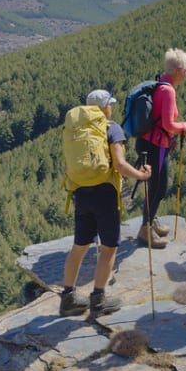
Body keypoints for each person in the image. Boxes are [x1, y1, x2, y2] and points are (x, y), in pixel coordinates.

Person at [60, 89, 152, 318]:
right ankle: (99, 299)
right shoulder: (111, 127)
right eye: (110, 104)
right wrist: (142, 176)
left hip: (80, 190)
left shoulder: (74, 128)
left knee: (79, 245)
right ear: (104, 108)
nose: (111, 107)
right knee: (109, 247)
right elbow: (120, 165)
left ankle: (68, 297)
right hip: (105, 192)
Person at [136, 48, 186, 249]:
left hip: (148, 142)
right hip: (156, 145)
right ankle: (146, 229)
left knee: (156, 186)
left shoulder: (160, 84)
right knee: (159, 187)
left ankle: (150, 221)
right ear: (178, 70)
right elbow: (169, 124)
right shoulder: (168, 91)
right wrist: (183, 127)